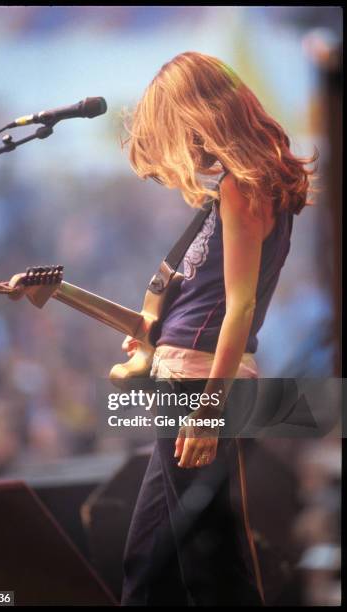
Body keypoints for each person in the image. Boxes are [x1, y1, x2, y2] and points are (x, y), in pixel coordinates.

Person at [119, 51, 318, 606]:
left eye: (178, 128)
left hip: (197, 386)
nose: (184, 147)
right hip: (187, 377)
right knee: (153, 561)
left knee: (210, 569)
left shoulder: (241, 188)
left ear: (200, 114)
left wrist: (207, 409)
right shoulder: (243, 187)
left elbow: (240, 307)